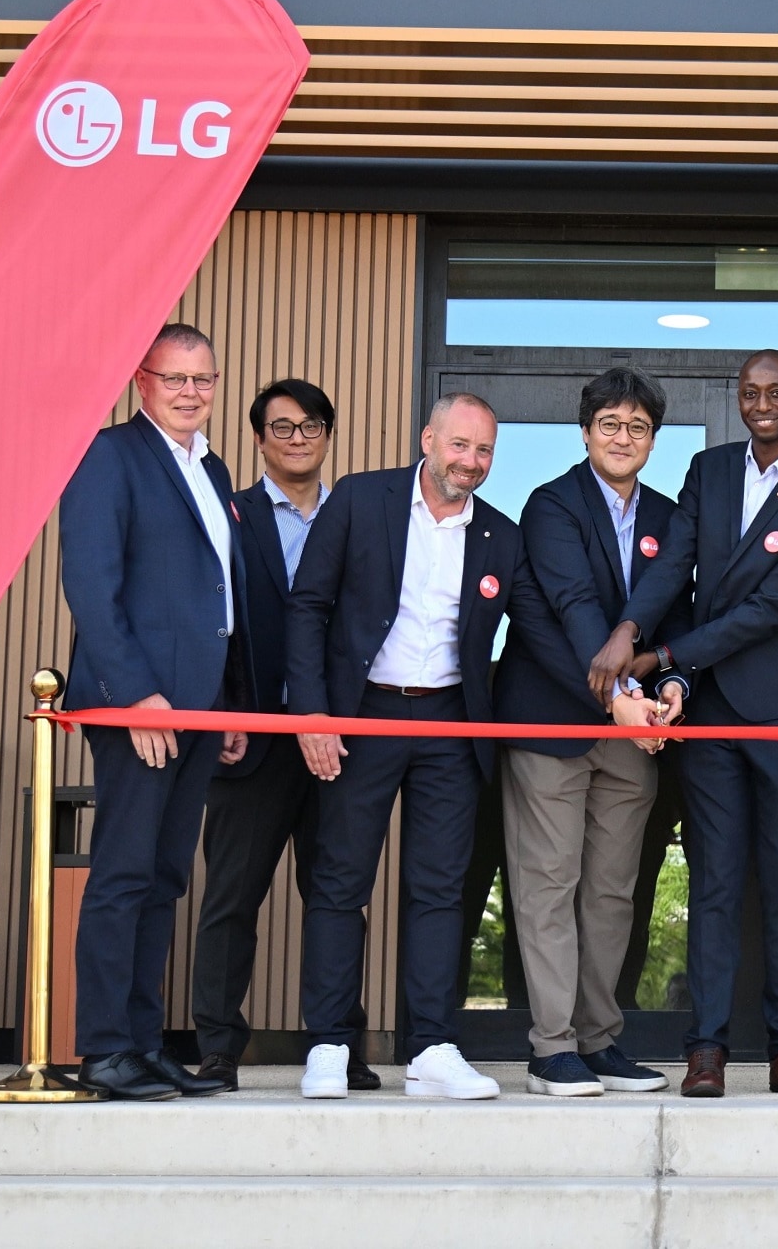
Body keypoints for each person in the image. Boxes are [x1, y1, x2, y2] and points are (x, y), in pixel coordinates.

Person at [587, 349, 778, 1098]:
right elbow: (675, 564)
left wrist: (665, 652)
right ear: (738, 399)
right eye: (749, 392)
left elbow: (772, 610)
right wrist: (630, 628)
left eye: (776, 392)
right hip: (706, 711)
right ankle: (705, 1048)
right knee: (710, 885)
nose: (762, 403)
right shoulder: (707, 473)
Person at [284, 392, 524, 1102]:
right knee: (339, 883)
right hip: (362, 719)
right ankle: (328, 1043)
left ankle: (430, 1049)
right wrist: (314, 716)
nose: (470, 462)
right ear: (428, 438)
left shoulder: (501, 537)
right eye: (459, 446)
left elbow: (536, 630)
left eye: (483, 452)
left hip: (451, 726)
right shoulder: (362, 500)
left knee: (440, 892)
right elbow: (308, 607)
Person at [59, 323, 248, 1102]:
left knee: (167, 877)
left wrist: (230, 706)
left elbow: (218, 598)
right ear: (142, 381)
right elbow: (91, 587)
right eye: (175, 379)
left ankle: (144, 1046)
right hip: (139, 705)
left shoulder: (214, 468)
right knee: (123, 874)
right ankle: (104, 1049)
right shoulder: (109, 456)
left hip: (199, 709)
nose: (191, 393)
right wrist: (135, 694)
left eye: (203, 380)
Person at [493, 367, 690, 1097]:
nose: (622, 437)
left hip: (635, 733)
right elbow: (573, 607)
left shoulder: (670, 518)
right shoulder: (550, 506)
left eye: (637, 427)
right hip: (552, 723)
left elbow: (677, 620)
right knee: (549, 884)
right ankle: (552, 1049)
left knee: (612, 892)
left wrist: (672, 684)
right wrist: (619, 701)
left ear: (653, 440)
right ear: (585, 432)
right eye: (610, 424)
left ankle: (599, 1040)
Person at [190, 379, 377, 1092]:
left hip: (339, 741)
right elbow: (208, 622)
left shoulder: (359, 516)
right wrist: (228, 707)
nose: (298, 439)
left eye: (311, 427)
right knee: (232, 897)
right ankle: (216, 1045)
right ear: (259, 438)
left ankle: (338, 1043)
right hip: (254, 737)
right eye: (282, 427)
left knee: (338, 896)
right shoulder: (227, 515)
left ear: (329, 435)